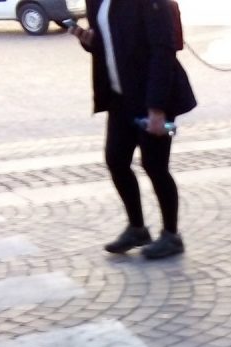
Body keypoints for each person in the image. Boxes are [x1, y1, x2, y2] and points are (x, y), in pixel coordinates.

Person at [70, 0, 197, 260]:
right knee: (116, 160)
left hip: (152, 96)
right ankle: (137, 228)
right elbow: (108, 44)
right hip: (121, 97)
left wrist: (157, 110)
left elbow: (163, 52)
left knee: (155, 166)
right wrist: (88, 40)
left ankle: (172, 235)